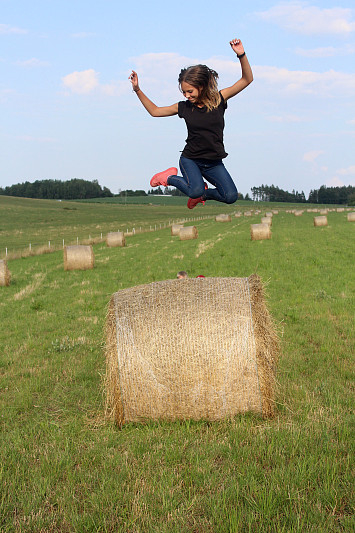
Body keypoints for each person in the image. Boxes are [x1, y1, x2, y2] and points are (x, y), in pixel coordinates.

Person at [129, 38, 253, 209]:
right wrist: (137, 90)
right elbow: (155, 111)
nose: (186, 95)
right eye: (184, 91)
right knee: (194, 191)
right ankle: (168, 178)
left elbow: (247, 79)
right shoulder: (184, 107)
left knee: (230, 196)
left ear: (201, 86)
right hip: (191, 160)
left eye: (190, 91)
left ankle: (202, 195)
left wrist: (241, 55)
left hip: (214, 162)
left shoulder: (219, 99)